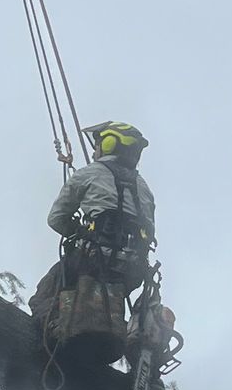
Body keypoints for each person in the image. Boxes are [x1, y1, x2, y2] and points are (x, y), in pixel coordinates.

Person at [30, 122, 157, 367]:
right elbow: (149, 230)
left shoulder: (89, 173)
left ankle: (49, 345)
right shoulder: (145, 189)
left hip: (93, 259)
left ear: (109, 143)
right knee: (110, 301)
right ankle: (126, 347)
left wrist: (76, 231)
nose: (95, 149)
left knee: (45, 293)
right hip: (132, 269)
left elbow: (56, 219)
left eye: (98, 143)